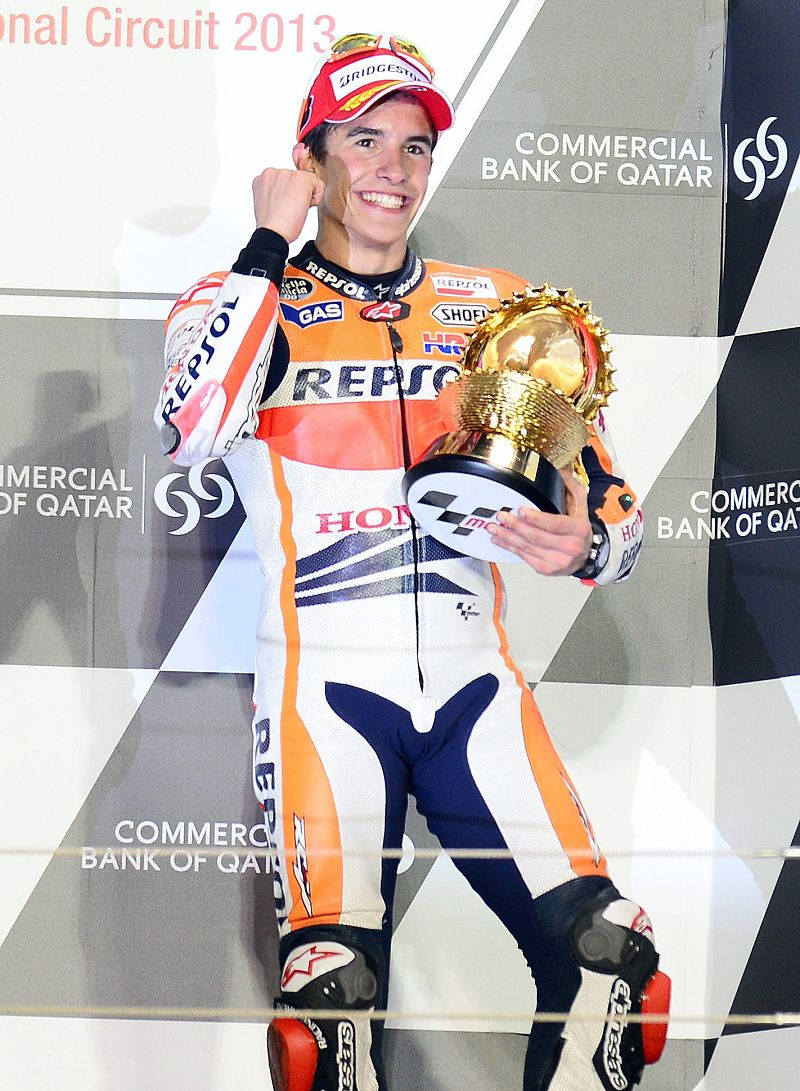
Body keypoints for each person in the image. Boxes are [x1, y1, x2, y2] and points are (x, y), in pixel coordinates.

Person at [155, 31, 670, 1091]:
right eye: (363, 140)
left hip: (476, 683)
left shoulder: (500, 310)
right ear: (310, 158)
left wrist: (588, 539)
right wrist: (269, 241)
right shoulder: (242, 298)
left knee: (608, 955)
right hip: (326, 691)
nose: (393, 167)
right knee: (331, 1003)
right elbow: (195, 422)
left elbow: (612, 505)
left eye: (415, 145)